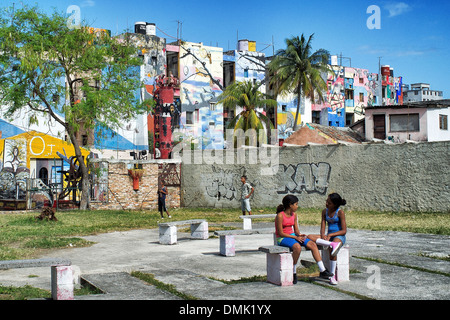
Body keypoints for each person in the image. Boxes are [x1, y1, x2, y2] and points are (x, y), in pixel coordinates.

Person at [275, 195, 333, 284]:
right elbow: (280, 233)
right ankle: (293, 272)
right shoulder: (280, 216)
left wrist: (300, 235)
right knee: (297, 247)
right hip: (282, 238)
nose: (297, 206)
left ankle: (323, 270)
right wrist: (295, 237)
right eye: (296, 204)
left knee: (312, 244)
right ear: (290, 205)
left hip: (293, 235)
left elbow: (296, 230)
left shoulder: (294, 215)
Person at [307, 193, 347, 285]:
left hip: (338, 236)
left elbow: (344, 231)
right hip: (329, 236)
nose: (326, 204)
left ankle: (332, 275)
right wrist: (323, 235)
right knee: (309, 236)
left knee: (333, 250)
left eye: (329, 203)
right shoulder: (324, 211)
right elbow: (323, 226)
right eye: (326, 201)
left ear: (335, 204)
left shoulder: (340, 212)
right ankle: (330, 243)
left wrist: (331, 235)